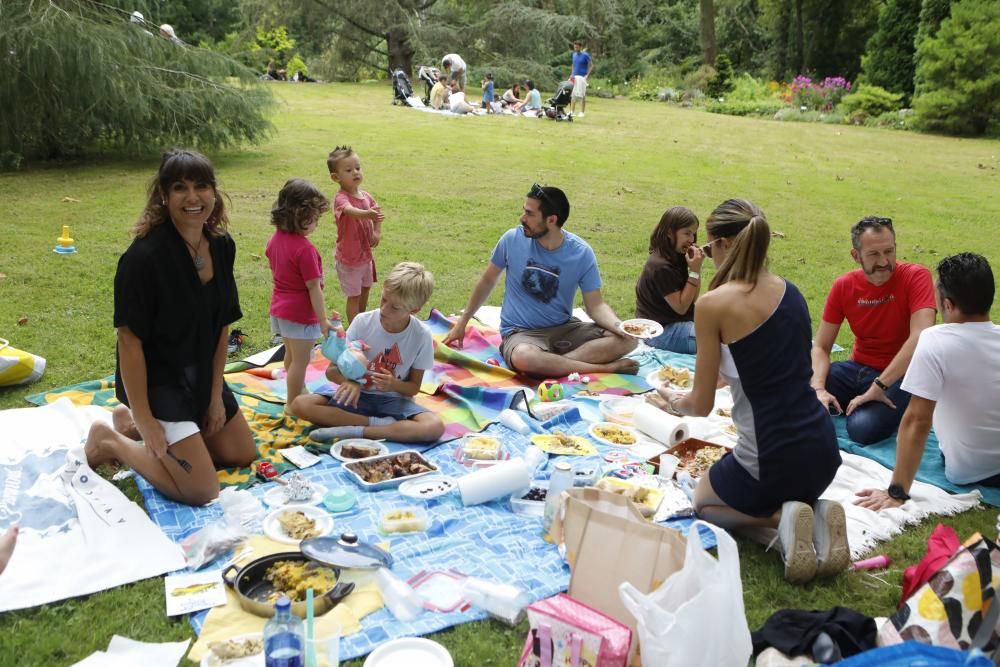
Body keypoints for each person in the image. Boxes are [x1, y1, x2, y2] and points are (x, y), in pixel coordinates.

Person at [650, 199, 844, 584]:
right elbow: (768, 364)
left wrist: (673, 401)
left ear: (721, 244)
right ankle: (814, 513)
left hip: (772, 459)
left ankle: (781, 519)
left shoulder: (713, 304)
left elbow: (700, 405)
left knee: (703, 504)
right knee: (759, 482)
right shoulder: (792, 291)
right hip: (823, 452)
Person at [84, 149, 257, 506]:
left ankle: (128, 422)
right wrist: (146, 419)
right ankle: (111, 438)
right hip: (159, 381)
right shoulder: (143, 259)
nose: (192, 197)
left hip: (200, 374)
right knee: (201, 489)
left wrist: (213, 399)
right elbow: (129, 342)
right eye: (180, 187)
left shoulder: (222, 246)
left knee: (241, 454)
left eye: (201, 186)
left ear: (214, 192)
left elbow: (222, 327)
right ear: (163, 195)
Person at [442, 184, 638, 378]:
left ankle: (553, 365)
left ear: (551, 219)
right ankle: (605, 368)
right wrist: (463, 322)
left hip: (564, 329)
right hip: (521, 334)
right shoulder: (512, 239)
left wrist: (620, 326)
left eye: (530, 214)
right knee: (525, 357)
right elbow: (487, 280)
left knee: (629, 341)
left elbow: (596, 305)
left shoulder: (581, 253)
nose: (522, 218)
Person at [856, 253, 1000, 510]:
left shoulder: (936, 340)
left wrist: (896, 492)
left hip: (970, 471)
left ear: (948, 304)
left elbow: (917, 420)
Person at [811, 216, 936, 445]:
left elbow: (922, 336)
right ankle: (841, 403)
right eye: (874, 254)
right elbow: (820, 346)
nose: (884, 261)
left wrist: (879, 386)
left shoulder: (916, 276)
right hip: (855, 369)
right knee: (796, 388)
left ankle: (856, 407)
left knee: (863, 429)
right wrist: (818, 387)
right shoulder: (844, 286)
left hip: (902, 375)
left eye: (889, 251)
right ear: (856, 255)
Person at [292, 262, 445, 444]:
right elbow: (331, 371)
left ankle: (357, 431)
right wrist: (350, 381)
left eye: (395, 307)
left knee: (434, 426)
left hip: (393, 402)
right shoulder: (363, 322)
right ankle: (375, 426)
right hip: (356, 398)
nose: (384, 309)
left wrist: (393, 384)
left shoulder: (422, 335)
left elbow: (413, 387)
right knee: (300, 404)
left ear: (414, 309)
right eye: (383, 299)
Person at [265, 179, 332, 412]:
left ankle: (298, 390)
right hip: (300, 314)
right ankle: (293, 403)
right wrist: (322, 321)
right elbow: (313, 287)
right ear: (298, 214)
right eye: (314, 217)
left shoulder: (274, 240)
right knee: (300, 361)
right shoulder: (305, 250)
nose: (316, 223)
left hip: (280, 310)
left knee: (292, 357)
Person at [634, 206, 704, 354]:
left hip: (675, 324)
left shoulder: (676, 256)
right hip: (660, 332)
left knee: (724, 323)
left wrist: (695, 269)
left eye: (694, 234)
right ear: (670, 232)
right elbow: (681, 307)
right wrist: (695, 271)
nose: (692, 240)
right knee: (716, 338)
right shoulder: (661, 266)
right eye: (687, 233)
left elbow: (692, 299)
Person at [327, 145, 384, 324]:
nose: (356, 172)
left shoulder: (366, 196)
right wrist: (367, 214)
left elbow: (378, 215)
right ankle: (354, 327)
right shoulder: (341, 198)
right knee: (354, 295)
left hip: (365, 256)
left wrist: (376, 232)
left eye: (358, 168)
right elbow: (350, 211)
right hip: (349, 259)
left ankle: (361, 320)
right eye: (349, 170)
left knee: (366, 289)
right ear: (335, 177)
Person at [570, 40, 593, 118]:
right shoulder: (574, 55)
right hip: (574, 77)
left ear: (580, 47)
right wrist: (571, 75)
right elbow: (573, 65)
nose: (575, 48)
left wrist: (587, 75)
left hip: (582, 78)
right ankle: (572, 111)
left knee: (582, 95)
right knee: (573, 94)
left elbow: (591, 66)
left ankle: (582, 112)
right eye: (574, 47)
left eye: (577, 47)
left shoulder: (585, 55)